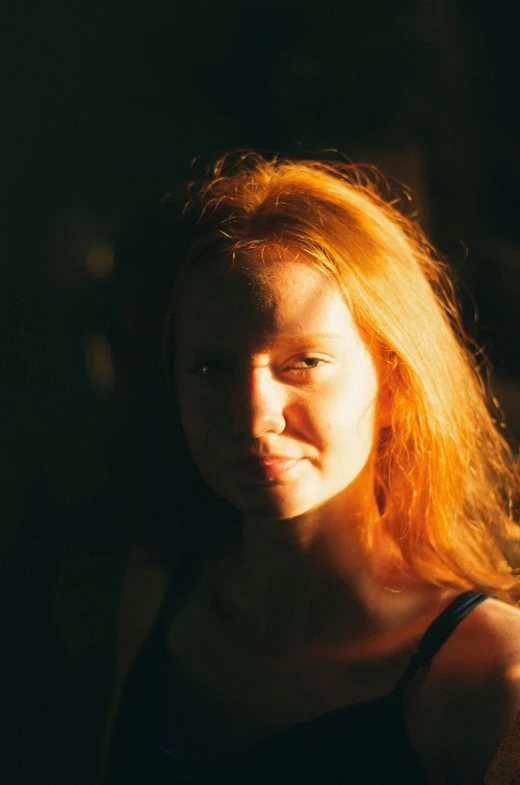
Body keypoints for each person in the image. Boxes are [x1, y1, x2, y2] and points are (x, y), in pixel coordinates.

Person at [102, 153, 520, 784]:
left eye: (305, 363)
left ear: (396, 386)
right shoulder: (159, 596)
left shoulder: (493, 671)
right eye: (212, 368)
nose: (253, 417)